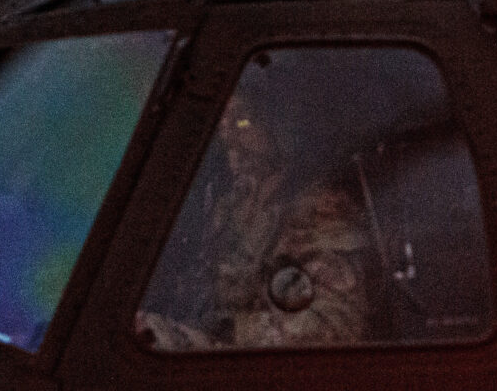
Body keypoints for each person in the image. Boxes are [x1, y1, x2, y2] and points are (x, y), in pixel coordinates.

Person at [135, 99, 378, 350]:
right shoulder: (232, 201)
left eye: (244, 122)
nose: (229, 136)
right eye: (224, 125)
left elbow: (332, 331)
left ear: (281, 128)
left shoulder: (320, 214)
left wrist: (216, 335)